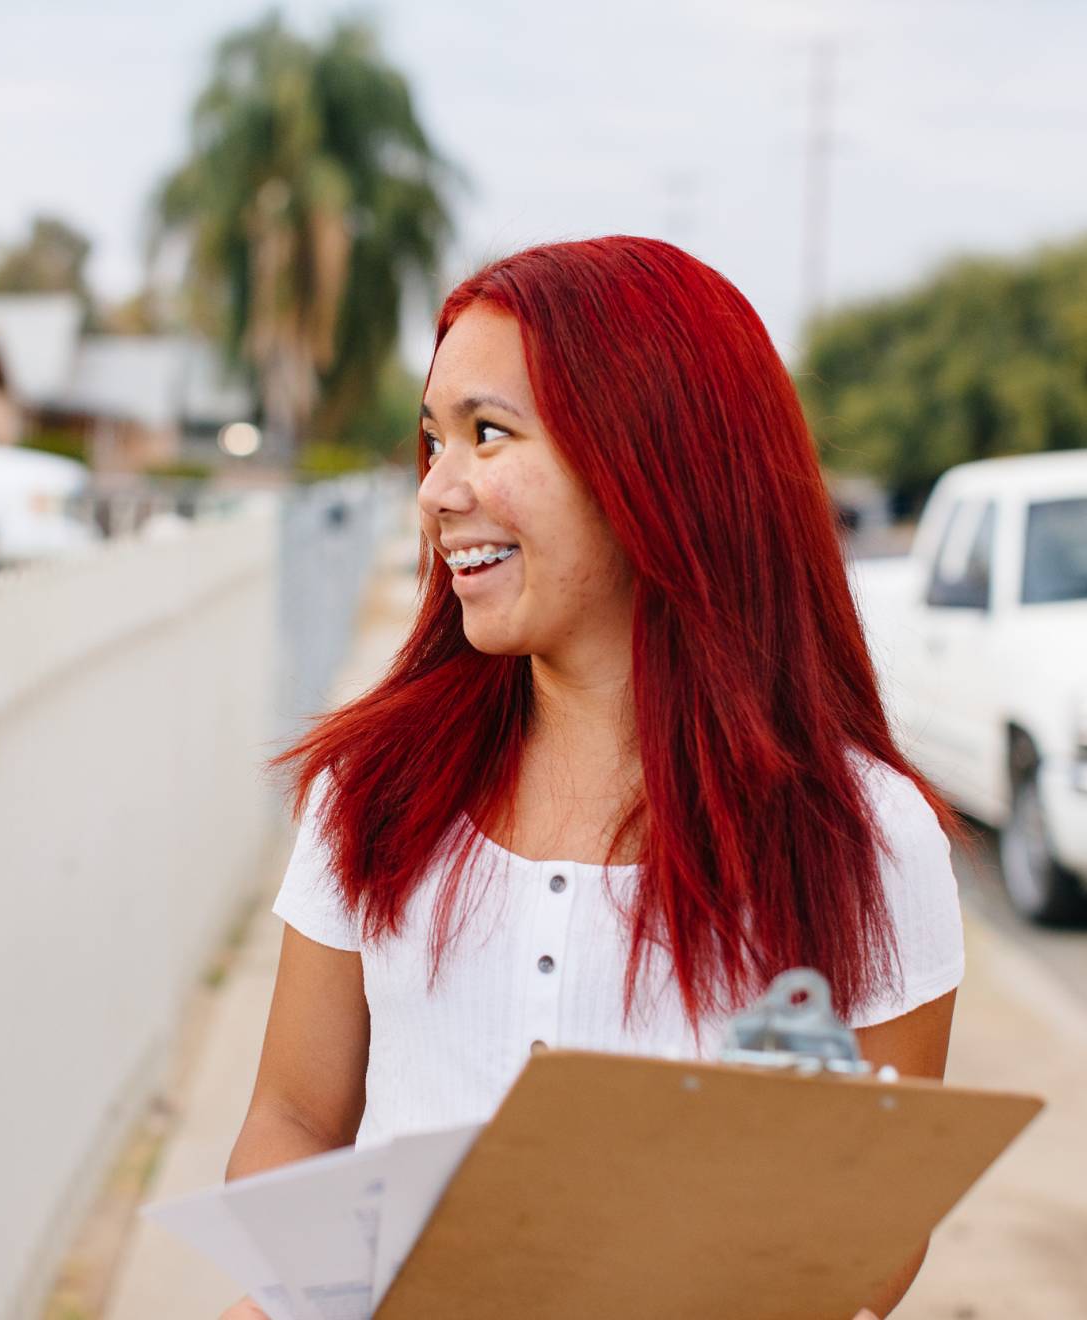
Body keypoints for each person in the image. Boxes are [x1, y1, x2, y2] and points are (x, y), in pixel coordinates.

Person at [219, 235, 965, 1319]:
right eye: (432, 442)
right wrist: (307, 1290)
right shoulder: (371, 790)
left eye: (488, 433)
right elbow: (293, 1116)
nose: (437, 491)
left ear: (653, 460)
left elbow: (875, 1234)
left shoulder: (865, 835)